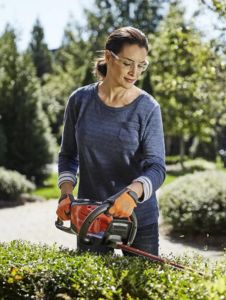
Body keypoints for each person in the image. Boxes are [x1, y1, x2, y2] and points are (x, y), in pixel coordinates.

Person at [56, 26, 166, 256]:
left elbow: (157, 167)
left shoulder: (147, 108)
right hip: (91, 216)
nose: (134, 72)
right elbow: (68, 155)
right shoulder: (80, 100)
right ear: (108, 56)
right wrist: (66, 194)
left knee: (141, 290)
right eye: (127, 63)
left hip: (139, 217)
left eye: (141, 65)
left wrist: (132, 194)